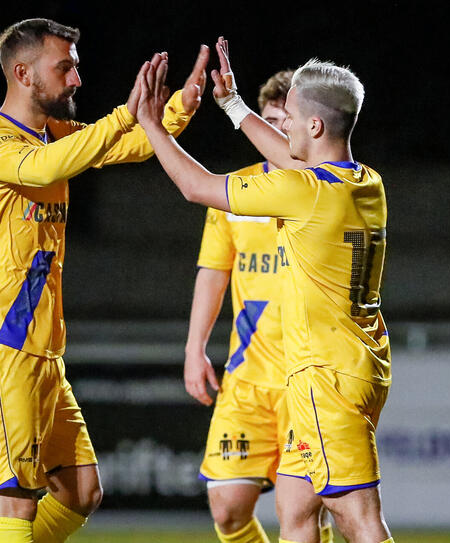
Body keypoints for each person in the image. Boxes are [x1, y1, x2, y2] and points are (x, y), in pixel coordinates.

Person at [0, 18, 207, 543]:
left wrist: (175, 108)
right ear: (22, 73)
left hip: (40, 351)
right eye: (64, 67)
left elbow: (127, 145)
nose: (76, 79)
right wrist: (124, 114)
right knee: (14, 502)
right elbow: (45, 168)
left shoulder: (52, 135)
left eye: (77, 67)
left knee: (81, 491)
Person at [135, 38, 393, 543]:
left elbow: (196, 186)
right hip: (359, 363)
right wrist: (233, 106)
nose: (285, 126)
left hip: (324, 378)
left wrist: (150, 124)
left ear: (315, 126)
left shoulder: (302, 193)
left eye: (290, 117)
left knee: (357, 517)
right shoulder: (366, 183)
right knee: (296, 512)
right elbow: (297, 162)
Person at [186, 70, 336, 543]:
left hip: (307, 380)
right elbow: (213, 271)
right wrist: (195, 347)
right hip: (247, 378)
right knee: (228, 509)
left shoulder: (323, 192)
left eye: (281, 123)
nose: (272, 133)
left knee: (303, 515)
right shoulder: (235, 196)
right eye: (265, 121)